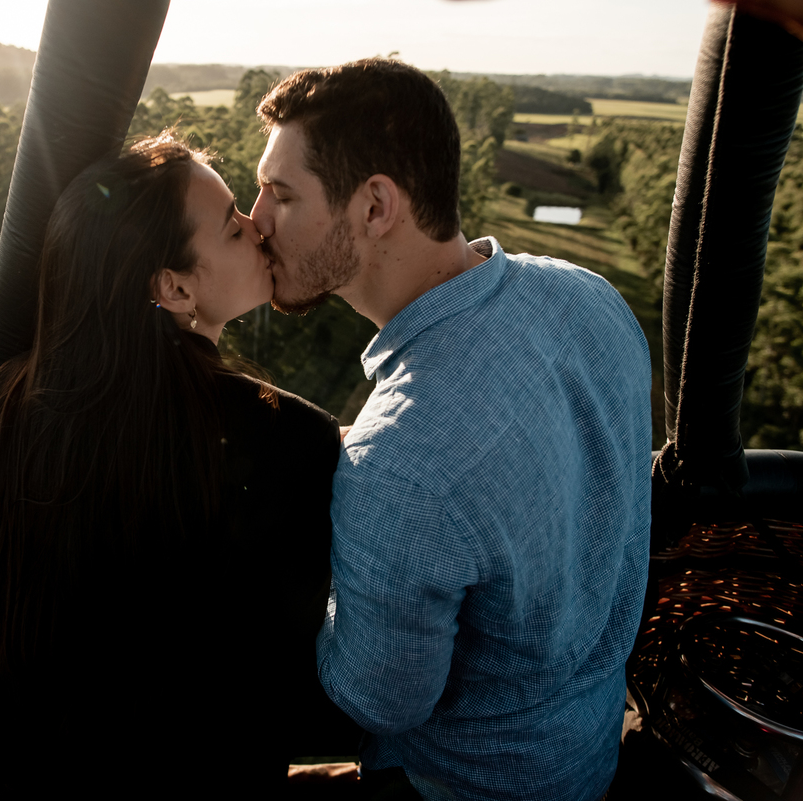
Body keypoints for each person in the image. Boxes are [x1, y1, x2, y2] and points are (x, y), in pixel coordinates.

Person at [250, 59, 652, 801]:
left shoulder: (396, 463)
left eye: (281, 194)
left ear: (375, 206)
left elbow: (381, 701)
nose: (255, 219)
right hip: (590, 752)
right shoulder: (590, 299)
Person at [0, 132, 356, 795]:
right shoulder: (288, 439)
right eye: (232, 228)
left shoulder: (11, 400)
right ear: (173, 287)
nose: (259, 227)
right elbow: (297, 686)